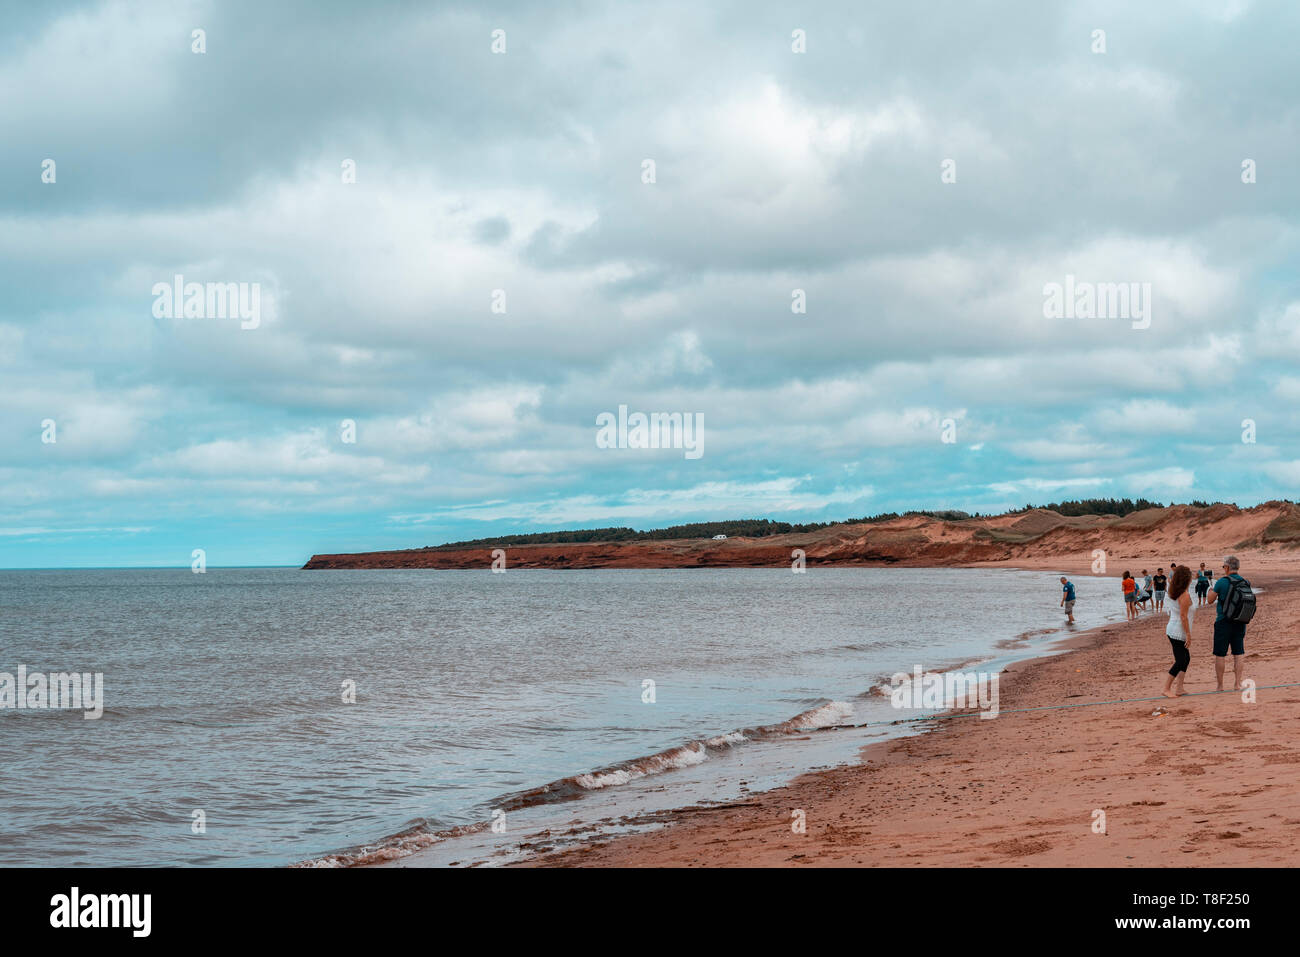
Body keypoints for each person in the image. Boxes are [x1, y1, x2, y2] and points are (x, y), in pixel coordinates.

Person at [1208, 555, 1252, 691]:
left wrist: (1210, 590)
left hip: (1223, 621)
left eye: (1223, 567)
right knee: (1238, 653)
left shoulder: (1222, 582)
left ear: (1227, 567)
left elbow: (1210, 600)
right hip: (1240, 621)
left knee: (1220, 654)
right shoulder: (1245, 582)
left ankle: (1220, 685)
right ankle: (1237, 684)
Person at [1162, 565, 1194, 697]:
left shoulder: (1174, 591)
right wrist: (1188, 634)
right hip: (1177, 631)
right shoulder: (1184, 594)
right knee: (1181, 660)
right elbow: (1183, 616)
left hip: (1173, 628)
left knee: (1186, 658)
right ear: (1187, 579)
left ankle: (1180, 688)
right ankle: (1166, 688)